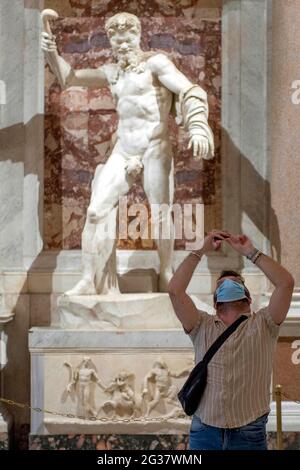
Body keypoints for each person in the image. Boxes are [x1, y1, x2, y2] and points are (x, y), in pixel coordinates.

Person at [41, 11, 214, 294]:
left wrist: (197, 126)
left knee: (161, 214)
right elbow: (69, 78)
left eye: (128, 39)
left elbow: (189, 90)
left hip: (155, 149)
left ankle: (166, 271)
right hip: (124, 150)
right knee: (96, 211)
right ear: (110, 42)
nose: (123, 46)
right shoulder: (112, 72)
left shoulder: (156, 64)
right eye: (117, 41)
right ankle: (88, 279)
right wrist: (51, 52)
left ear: (138, 36)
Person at [168, 230, 294, 450]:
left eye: (235, 282)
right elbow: (175, 291)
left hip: (248, 432)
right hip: (205, 431)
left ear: (248, 297)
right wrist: (201, 250)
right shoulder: (201, 326)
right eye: (221, 285)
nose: (227, 284)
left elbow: (286, 283)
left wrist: (250, 252)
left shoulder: (264, 324)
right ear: (216, 303)